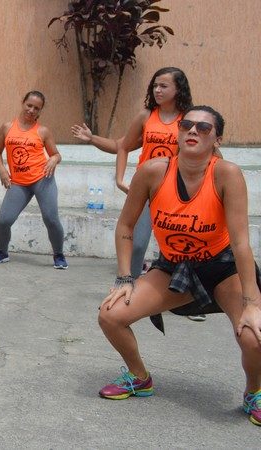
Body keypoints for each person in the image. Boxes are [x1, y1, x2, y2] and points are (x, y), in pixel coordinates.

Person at [96, 106, 261, 426]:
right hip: (174, 267)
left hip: (222, 267)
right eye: (187, 125)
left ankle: (254, 391)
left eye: (204, 127)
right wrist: (124, 278)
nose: (193, 131)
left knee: (253, 335)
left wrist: (252, 303)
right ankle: (139, 377)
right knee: (110, 315)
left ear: (217, 139)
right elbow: (126, 226)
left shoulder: (227, 174)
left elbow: (241, 243)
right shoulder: (152, 171)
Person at [72, 67, 206, 321]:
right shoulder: (146, 116)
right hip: (147, 191)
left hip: (179, 193)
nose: (157, 90)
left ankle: (187, 302)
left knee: (181, 248)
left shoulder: (189, 120)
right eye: (155, 85)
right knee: (137, 244)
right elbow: (121, 146)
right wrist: (116, 172)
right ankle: (126, 291)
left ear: (178, 89)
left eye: (164, 86)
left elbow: (205, 152)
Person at [0, 91, 67, 269]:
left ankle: (59, 255)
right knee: (4, 221)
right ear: (23, 103)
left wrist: (53, 159)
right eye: (29, 105)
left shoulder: (43, 131)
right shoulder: (7, 127)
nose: (31, 110)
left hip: (42, 180)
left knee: (51, 219)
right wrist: (2, 169)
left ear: (40, 111)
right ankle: (2, 252)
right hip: (18, 183)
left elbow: (56, 154)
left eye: (36, 108)